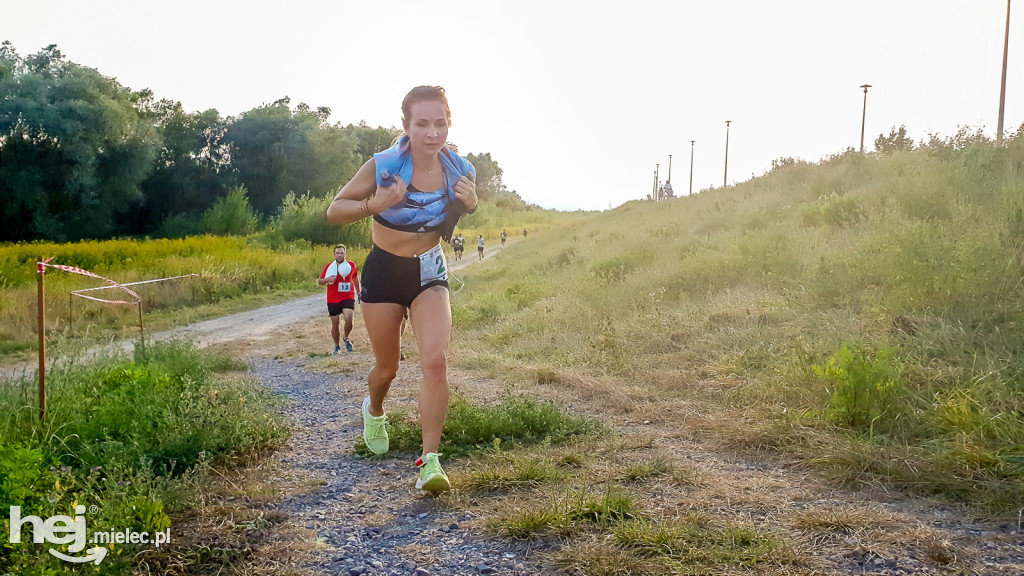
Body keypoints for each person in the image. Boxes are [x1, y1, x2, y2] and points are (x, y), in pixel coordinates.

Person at [326, 86, 477, 492]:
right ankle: (374, 409)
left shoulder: (460, 170)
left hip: (429, 270)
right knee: (387, 369)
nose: (432, 133)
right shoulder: (386, 165)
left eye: (440, 123)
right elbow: (334, 209)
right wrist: (373, 205)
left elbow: (448, 220)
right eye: (422, 124)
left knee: (435, 361)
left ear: (449, 124)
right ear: (406, 126)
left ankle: (430, 462)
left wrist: (470, 203)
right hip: (384, 271)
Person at [317, 244, 359, 354]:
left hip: (347, 297)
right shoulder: (329, 267)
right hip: (333, 299)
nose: (339, 255)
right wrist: (328, 279)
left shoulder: (351, 265)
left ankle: (346, 337)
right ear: (334, 254)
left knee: (349, 318)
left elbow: (355, 278)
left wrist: (358, 292)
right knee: (335, 324)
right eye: (337, 253)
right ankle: (337, 346)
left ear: (345, 253)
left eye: (341, 253)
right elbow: (320, 281)